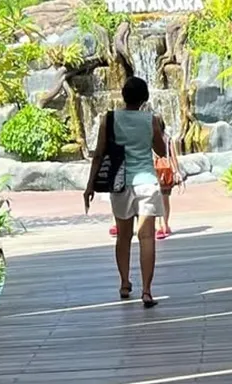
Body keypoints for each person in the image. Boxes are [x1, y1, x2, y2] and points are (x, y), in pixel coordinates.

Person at [84, 76, 167, 308]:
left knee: (123, 236)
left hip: (120, 184)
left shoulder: (109, 119)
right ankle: (147, 291)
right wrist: (156, 131)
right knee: (147, 237)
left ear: (123, 95)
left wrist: (90, 185)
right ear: (145, 98)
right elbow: (160, 151)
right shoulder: (150, 120)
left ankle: (124, 283)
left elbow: (99, 153)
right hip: (146, 182)